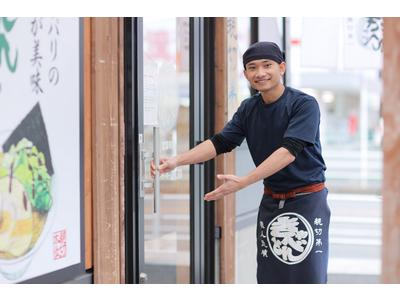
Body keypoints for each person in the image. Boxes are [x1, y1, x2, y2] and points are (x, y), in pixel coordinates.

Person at [151, 41, 330, 284]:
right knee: (270, 276)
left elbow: (289, 151)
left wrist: (244, 181)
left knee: (307, 277)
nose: (260, 73)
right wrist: (177, 161)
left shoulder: (304, 104)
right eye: (252, 68)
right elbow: (220, 142)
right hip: (272, 200)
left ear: (282, 67)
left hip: (307, 201)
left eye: (267, 65)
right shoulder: (249, 108)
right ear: (245, 74)